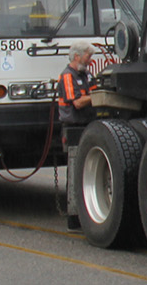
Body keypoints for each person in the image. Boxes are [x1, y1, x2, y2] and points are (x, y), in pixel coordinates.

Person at [55, 43, 96, 230]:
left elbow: (95, 89)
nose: (90, 60)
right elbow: (78, 103)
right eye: (88, 56)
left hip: (87, 124)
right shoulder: (67, 76)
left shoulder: (86, 75)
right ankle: (73, 218)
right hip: (73, 127)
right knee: (74, 170)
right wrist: (96, 96)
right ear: (77, 56)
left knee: (85, 170)